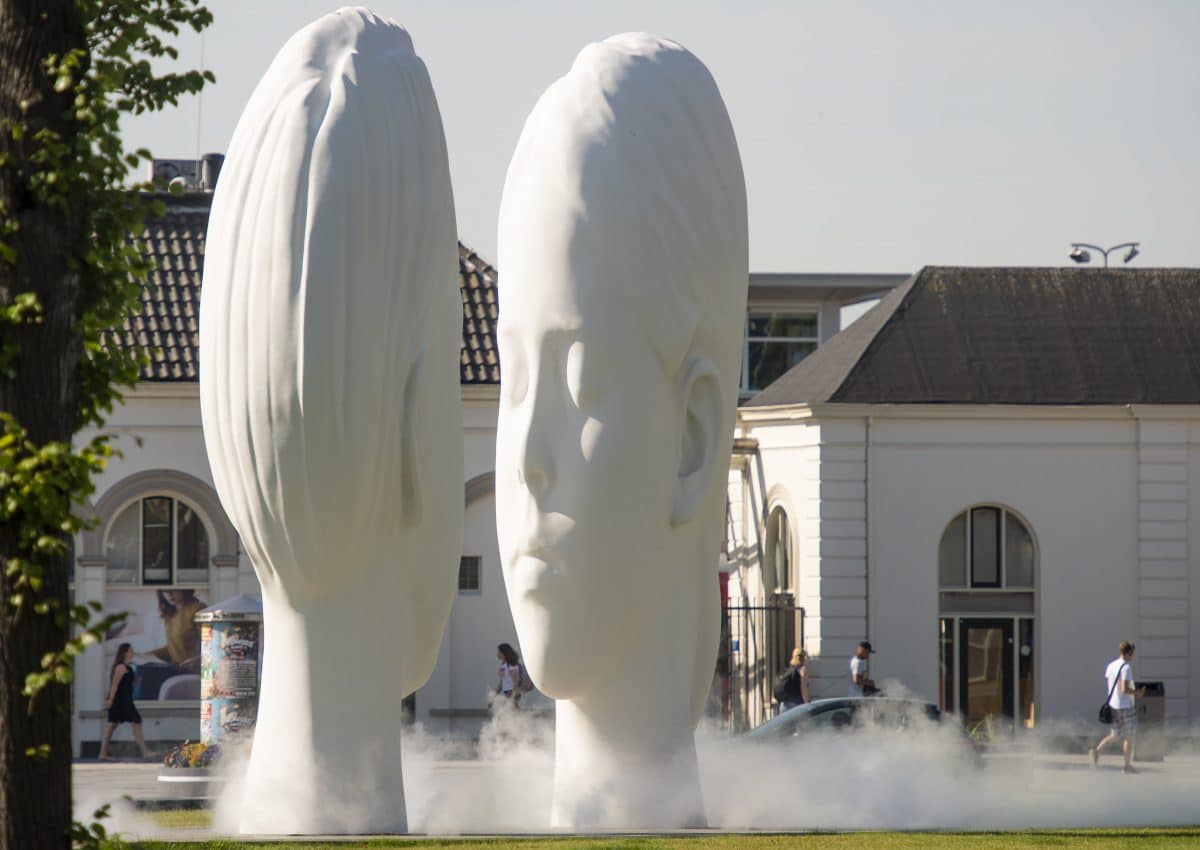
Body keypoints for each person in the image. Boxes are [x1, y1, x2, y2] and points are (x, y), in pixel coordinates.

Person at [133, 588, 207, 700]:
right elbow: (172, 648)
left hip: (192, 668)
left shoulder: (198, 609)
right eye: (164, 591)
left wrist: (197, 660)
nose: (169, 594)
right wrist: (145, 655)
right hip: (176, 666)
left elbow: (211, 644)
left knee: (147, 673)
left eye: (172, 589)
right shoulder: (171, 615)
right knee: (141, 666)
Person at [1091, 640, 1146, 774]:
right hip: (1124, 706)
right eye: (1132, 653)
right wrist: (1137, 693)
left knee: (1115, 734)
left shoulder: (1111, 665)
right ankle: (1127, 766)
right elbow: (1124, 688)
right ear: (1128, 653)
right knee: (1130, 735)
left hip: (1113, 705)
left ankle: (1096, 751)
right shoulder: (1126, 667)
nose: (1133, 655)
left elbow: (1112, 684)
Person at [98, 643, 151, 760]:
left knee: (114, 726)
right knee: (132, 722)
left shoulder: (128, 667)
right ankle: (145, 752)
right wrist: (110, 700)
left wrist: (138, 679)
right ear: (124, 653)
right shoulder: (120, 667)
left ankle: (102, 754)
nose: (132, 653)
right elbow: (114, 685)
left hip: (126, 700)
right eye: (130, 651)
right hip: (120, 701)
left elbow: (128, 682)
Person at [779, 647, 810, 712]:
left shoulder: (788, 669)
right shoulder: (802, 670)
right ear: (802, 658)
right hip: (796, 704)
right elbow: (803, 688)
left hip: (784, 705)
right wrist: (808, 703)